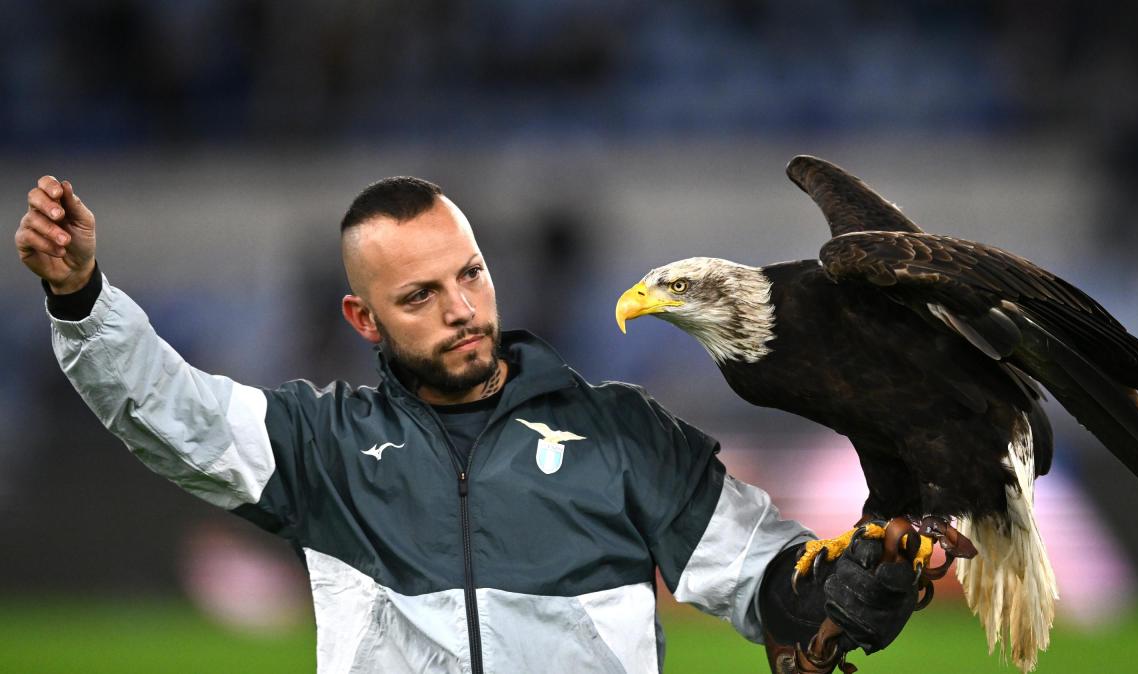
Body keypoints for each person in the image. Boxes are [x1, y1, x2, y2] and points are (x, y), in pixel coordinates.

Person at [16, 174, 921, 673]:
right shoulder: (321, 447)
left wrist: (842, 589)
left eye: (471, 274)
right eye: (419, 295)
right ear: (362, 321)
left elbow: (766, 578)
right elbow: (170, 412)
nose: (461, 308)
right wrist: (80, 296)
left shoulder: (622, 435)